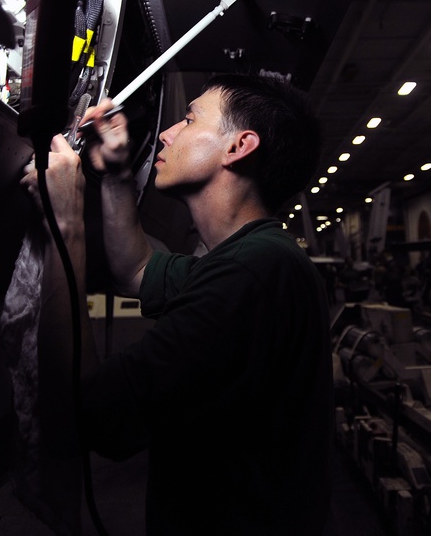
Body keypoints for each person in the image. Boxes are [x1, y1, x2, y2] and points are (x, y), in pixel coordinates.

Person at [21, 74, 332, 535]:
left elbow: (88, 416)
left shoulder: (254, 273)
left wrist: (66, 226)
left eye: (189, 119)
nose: (167, 133)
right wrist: (117, 175)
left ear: (238, 147)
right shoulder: (254, 259)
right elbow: (137, 269)